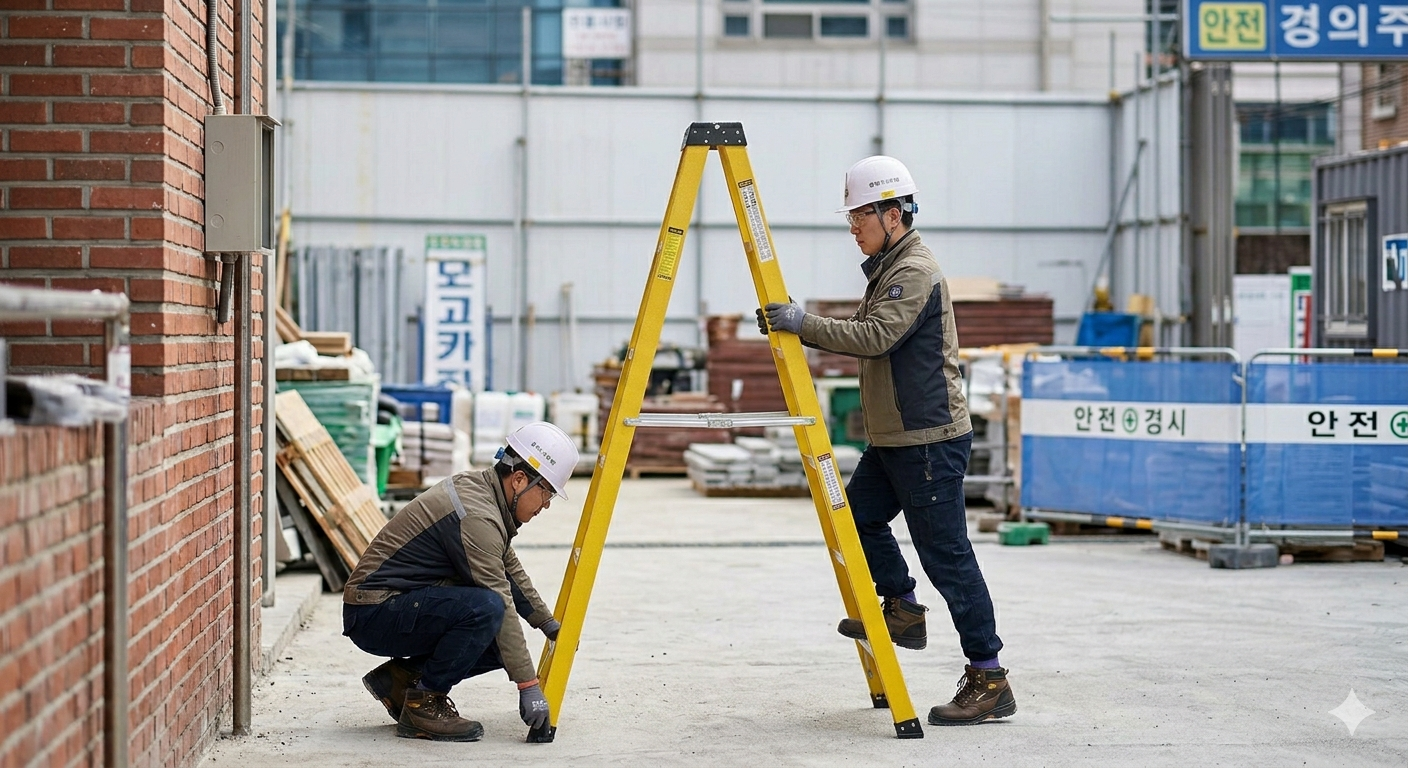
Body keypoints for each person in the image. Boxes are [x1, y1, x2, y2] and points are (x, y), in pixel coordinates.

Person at [757, 156, 1015, 726]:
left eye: (859, 216)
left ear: (892, 214)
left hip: (927, 441)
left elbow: (876, 338)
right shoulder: (887, 267)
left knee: (947, 557)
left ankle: (989, 676)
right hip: (898, 439)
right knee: (858, 517)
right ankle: (901, 606)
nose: (853, 227)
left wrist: (800, 323)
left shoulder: (914, 270)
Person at [342, 421, 579, 741]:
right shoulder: (477, 514)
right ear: (520, 479)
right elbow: (500, 596)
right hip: (375, 610)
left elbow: (510, 571)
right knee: (488, 610)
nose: (546, 504)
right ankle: (425, 703)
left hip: (397, 603)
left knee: (499, 636)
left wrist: (548, 623)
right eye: (546, 492)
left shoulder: (486, 495)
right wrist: (529, 686)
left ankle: (403, 681)